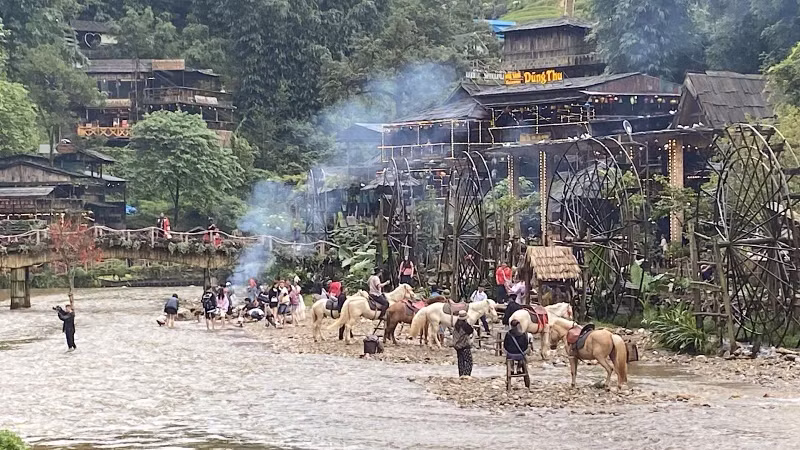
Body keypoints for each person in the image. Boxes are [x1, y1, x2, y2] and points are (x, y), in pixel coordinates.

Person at [452, 310, 474, 377]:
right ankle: (467, 375)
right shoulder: (465, 326)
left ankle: (461, 374)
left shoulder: (456, 325)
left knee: (460, 361)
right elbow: (471, 331)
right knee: (469, 361)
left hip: (458, 346)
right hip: (465, 345)